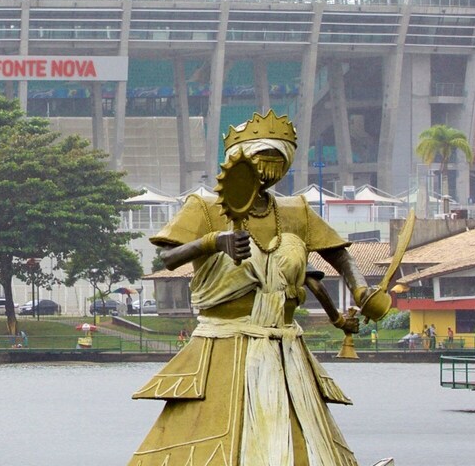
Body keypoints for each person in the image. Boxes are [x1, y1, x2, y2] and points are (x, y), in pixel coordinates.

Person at [130, 111, 377, 466]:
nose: (270, 170)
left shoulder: (296, 211)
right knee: (219, 440)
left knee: (302, 436)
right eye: (262, 159)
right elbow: (169, 258)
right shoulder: (206, 206)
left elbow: (338, 254)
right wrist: (215, 241)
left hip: (285, 344)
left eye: (279, 161)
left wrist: (360, 290)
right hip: (226, 342)